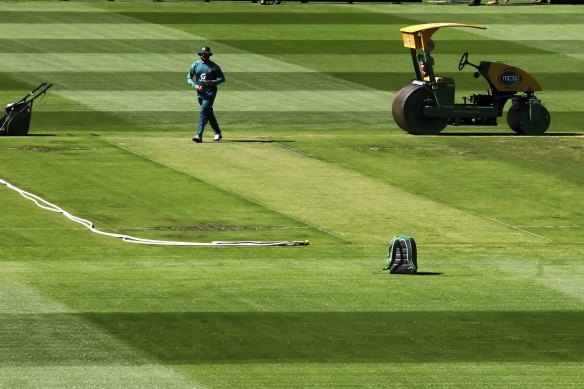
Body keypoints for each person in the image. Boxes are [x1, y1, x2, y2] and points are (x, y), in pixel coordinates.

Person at [186, 46, 225, 143]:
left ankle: (199, 135)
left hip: (210, 92)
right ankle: (217, 132)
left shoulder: (214, 66)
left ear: (209, 55)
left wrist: (213, 82)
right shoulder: (195, 65)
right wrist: (194, 86)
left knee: (203, 111)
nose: (203, 55)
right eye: (202, 54)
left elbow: (222, 78)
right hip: (200, 93)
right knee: (208, 112)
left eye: (205, 54)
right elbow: (188, 78)